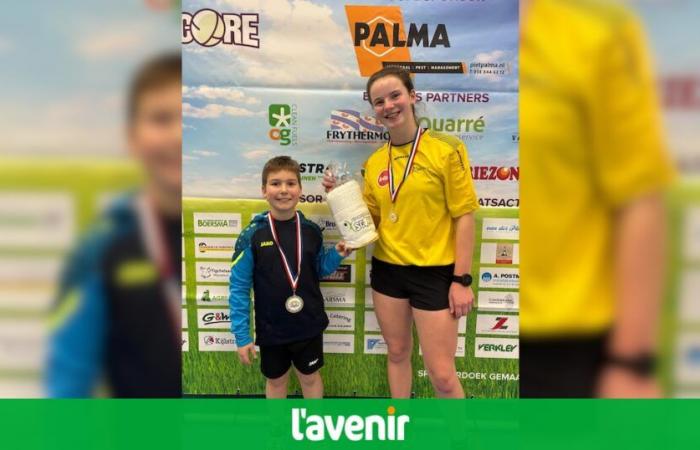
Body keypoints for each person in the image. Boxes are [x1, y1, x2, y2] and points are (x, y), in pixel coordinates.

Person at [520, 0, 674, 397]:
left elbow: (639, 196)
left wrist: (632, 363)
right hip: (479, 324)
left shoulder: (595, 29)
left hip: (570, 348)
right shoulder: (432, 24)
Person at [323, 67, 479, 398]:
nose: (388, 105)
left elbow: (464, 216)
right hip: (388, 272)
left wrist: (461, 280)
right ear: (374, 110)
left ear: (412, 96)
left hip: (435, 273)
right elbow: (371, 220)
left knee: (441, 374)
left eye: (395, 95)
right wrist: (340, 195)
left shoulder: (446, 149)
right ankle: (400, 428)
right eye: (379, 101)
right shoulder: (376, 162)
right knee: (396, 353)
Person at [45, 53, 182, 397]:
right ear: (132, 137)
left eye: (190, 116)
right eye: (162, 119)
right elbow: (68, 380)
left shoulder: (247, 237)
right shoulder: (101, 247)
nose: (178, 135)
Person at [230, 156, 352, 398]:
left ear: (300, 190)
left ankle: (312, 428)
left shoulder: (311, 231)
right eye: (275, 184)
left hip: (308, 324)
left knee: (311, 379)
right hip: (271, 328)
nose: (283, 190)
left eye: (290, 183)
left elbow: (316, 270)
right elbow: (239, 289)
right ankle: (278, 434)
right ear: (264, 191)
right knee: (276, 383)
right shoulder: (251, 236)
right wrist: (242, 336)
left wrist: (337, 255)